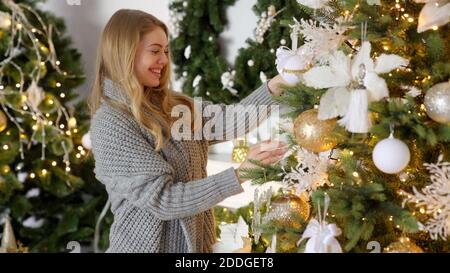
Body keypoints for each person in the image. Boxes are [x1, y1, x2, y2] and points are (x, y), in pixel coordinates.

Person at [88, 9, 288, 253]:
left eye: (166, 51)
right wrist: (240, 174)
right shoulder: (111, 123)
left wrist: (276, 86)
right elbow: (164, 199)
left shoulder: (173, 106)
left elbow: (230, 120)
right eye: (154, 51)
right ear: (125, 52)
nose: (163, 60)